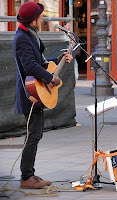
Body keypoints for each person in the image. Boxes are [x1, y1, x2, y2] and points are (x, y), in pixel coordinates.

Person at [13, 2, 72, 189]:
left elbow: (39, 62)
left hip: (36, 91)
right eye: (40, 16)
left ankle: (29, 174)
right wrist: (51, 79)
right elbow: (29, 66)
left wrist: (58, 59)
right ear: (33, 20)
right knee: (33, 135)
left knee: (35, 135)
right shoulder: (22, 37)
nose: (43, 18)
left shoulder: (29, 34)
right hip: (30, 93)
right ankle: (26, 178)